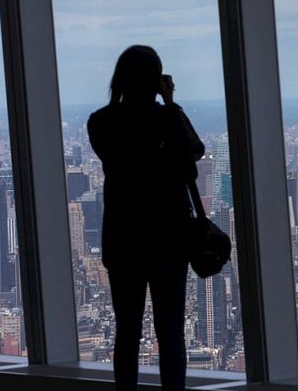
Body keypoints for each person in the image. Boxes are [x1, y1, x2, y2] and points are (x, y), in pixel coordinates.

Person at [87, 45, 204, 391]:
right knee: (170, 333)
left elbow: (118, 155)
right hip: (168, 238)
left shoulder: (100, 122)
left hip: (124, 241)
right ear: (156, 79)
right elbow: (194, 151)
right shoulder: (166, 119)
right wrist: (168, 102)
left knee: (127, 333)